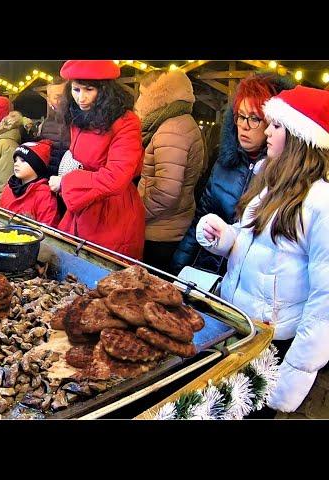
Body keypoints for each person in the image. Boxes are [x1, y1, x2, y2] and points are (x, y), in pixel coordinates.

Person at [196, 85, 329, 414]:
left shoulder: (321, 204)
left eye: (276, 125)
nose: (267, 131)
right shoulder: (269, 186)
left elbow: (325, 303)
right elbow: (259, 246)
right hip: (240, 324)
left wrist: (294, 375)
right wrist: (225, 238)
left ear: (300, 138)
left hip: (273, 344)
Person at [171, 73, 294, 275]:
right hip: (205, 272)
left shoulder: (283, 176)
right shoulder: (224, 163)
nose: (244, 125)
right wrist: (178, 266)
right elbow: (201, 219)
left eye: (255, 118)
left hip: (246, 283)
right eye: (240, 116)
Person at [48, 60, 145, 259]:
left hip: (112, 212)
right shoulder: (78, 117)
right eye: (76, 89)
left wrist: (67, 182)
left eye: (89, 89)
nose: (81, 98)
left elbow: (116, 178)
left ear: (105, 90)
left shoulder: (126, 121)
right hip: (82, 205)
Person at [134, 69, 204, 272]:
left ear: (156, 96)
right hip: (171, 225)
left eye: (142, 94)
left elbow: (166, 191)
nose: (138, 101)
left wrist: (137, 213)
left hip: (160, 233)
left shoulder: (171, 130)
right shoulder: (179, 122)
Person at [0, 140, 61, 227]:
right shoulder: (9, 187)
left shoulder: (45, 195)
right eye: (15, 160)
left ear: (37, 166)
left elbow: (48, 229)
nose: (16, 164)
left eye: (23, 160)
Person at [38, 76, 70, 176]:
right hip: (49, 179)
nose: (63, 100)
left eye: (66, 96)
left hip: (72, 181)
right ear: (49, 99)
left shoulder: (81, 121)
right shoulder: (45, 125)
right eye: (57, 97)